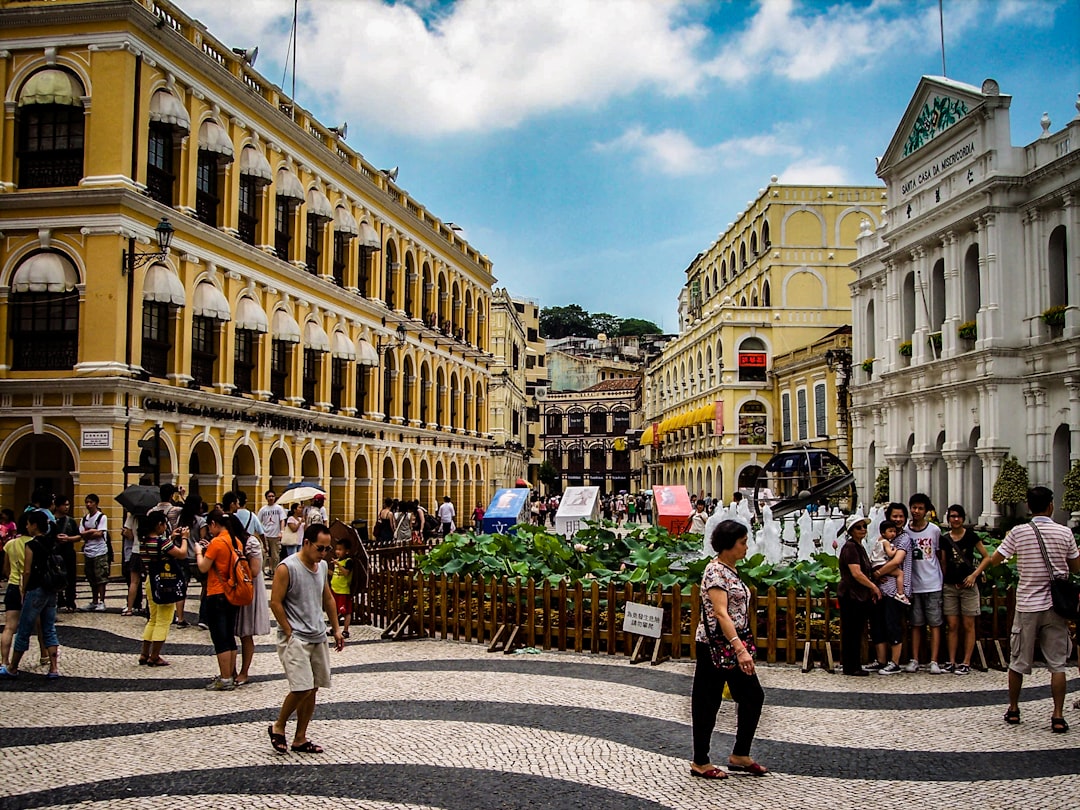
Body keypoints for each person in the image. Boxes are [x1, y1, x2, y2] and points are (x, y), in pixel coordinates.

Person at [967, 486, 1079, 732]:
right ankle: (1058, 715)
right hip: (1056, 606)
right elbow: (1076, 566)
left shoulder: (1019, 532)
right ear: (1050, 505)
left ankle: (1014, 709)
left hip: (1028, 604)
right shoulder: (1064, 532)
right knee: (1057, 664)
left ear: (1028, 507)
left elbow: (997, 559)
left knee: (1017, 660)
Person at [690, 519, 768, 779]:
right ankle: (700, 761)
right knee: (707, 702)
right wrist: (739, 648)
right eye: (742, 542)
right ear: (727, 545)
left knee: (752, 696)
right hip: (716, 646)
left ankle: (740, 754)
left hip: (735, 643)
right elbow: (721, 613)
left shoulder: (730, 569)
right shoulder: (715, 572)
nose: (747, 547)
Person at [267, 523, 344, 754]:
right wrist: (288, 630)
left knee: (313, 688)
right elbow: (275, 602)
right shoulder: (287, 568)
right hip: (296, 637)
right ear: (307, 543)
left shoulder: (320, 568)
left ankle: (300, 737)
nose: (323, 554)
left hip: (317, 634)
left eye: (327, 550)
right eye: (320, 548)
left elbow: (327, 598)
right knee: (301, 687)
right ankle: (278, 727)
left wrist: (336, 629)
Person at [0, 510, 61, 679]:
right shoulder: (50, 543)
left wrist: (24, 589)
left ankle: (12, 666)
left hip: (35, 590)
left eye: (28, 523)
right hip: (50, 589)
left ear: (34, 525)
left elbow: (27, 571)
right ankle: (54, 668)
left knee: (24, 629)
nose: (26, 526)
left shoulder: (31, 545)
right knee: (49, 628)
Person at [195, 508, 243, 691]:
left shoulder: (217, 542)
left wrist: (199, 551)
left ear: (214, 524)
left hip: (216, 592)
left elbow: (203, 567)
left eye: (210, 526)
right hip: (232, 592)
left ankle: (224, 678)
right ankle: (229, 674)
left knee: (219, 637)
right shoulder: (235, 540)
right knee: (229, 635)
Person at [940, 504, 990, 674]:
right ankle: (951, 661)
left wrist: (974, 575)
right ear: (948, 519)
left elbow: (986, 557)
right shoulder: (945, 539)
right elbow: (944, 563)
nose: (955, 519)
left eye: (958, 516)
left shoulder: (971, 536)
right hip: (950, 586)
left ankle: (966, 661)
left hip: (968, 585)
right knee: (952, 625)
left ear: (963, 518)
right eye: (952, 516)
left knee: (969, 624)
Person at [137, 510, 188, 666]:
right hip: (165, 583)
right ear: (159, 525)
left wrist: (170, 538)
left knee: (152, 619)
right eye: (164, 524)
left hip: (151, 581)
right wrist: (184, 539)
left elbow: (160, 549)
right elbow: (181, 554)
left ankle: (144, 653)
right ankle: (155, 655)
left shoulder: (144, 541)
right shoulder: (162, 542)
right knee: (163, 620)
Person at [868, 504, 913, 675]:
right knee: (878, 624)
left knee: (892, 624)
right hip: (881, 589)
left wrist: (877, 573)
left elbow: (896, 561)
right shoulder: (884, 538)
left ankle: (894, 662)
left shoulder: (903, 539)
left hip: (895, 590)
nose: (898, 519)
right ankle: (880, 660)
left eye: (901, 516)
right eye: (895, 516)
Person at [904, 493, 945, 674]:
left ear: (927, 511)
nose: (917, 511)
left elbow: (939, 555)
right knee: (916, 623)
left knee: (935, 623)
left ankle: (934, 660)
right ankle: (915, 659)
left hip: (933, 583)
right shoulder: (905, 530)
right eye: (914, 507)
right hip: (914, 584)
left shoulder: (934, 530)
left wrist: (942, 578)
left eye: (921, 508)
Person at [838, 515, 881, 676]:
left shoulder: (859, 547)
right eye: (858, 527)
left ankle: (853, 664)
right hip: (851, 595)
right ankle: (851, 666)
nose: (863, 530)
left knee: (855, 631)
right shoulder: (850, 547)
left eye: (864, 526)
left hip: (858, 595)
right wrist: (873, 587)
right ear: (851, 530)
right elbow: (856, 573)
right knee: (851, 631)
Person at [235, 516, 270, 687]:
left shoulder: (250, 542)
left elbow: (255, 570)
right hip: (230, 590)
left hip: (246, 588)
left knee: (245, 632)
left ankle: (244, 671)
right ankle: (230, 670)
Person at [173, 494, 206, 628]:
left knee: (182, 588)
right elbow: (203, 541)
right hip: (196, 558)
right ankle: (203, 618)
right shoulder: (201, 521)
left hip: (182, 557)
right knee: (206, 586)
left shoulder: (181, 519)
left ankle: (180, 618)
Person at [77, 494, 109, 612]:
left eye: (90, 502)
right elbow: (81, 534)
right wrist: (91, 531)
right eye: (86, 502)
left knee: (100, 577)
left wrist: (89, 532)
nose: (88, 505)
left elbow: (100, 533)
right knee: (91, 577)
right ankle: (94, 600)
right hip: (88, 551)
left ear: (96, 503)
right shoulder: (84, 519)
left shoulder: (101, 517)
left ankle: (101, 601)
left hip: (100, 551)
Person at [868, 521, 909, 604]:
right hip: (881, 564)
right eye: (890, 531)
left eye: (894, 531)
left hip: (875, 565)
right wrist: (895, 550)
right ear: (883, 533)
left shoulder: (878, 540)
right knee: (900, 573)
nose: (893, 534)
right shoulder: (886, 542)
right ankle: (900, 594)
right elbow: (890, 554)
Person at [52, 496, 79, 613]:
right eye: (64, 505)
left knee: (71, 577)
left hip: (68, 552)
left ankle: (70, 600)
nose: (67, 507)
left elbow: (78, 536)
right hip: (55, 552)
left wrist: (68, 539)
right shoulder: (51, 520)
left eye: (68, 504)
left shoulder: (70, 521)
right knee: (56, 576)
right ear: (57, 506)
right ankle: (59, 600)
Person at [329, 538, 355, 639]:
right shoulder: (337, 561)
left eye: (340, 549)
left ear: (347, 551)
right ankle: (334, 628)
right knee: (333, 610)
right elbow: (335, 574)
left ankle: (345, 630)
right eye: (336, 549)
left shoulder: (348, 561)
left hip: (344, 590)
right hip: (334, 589)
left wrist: (338, 565)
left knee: (346, 611)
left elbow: (346, 573)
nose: (337, 552)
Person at [258, 490, 286, 572]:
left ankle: (275, 571)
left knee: (275, 555)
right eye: (269, 496)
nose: (271, 498)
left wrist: (281, 531)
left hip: (275, 535)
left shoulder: (279, 508)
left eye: (272, 496)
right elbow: (259, 521)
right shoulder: (263, 509)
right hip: (265, 535)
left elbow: (282, 520)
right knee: (264, 554)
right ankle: (262, 571)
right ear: (266, 498)